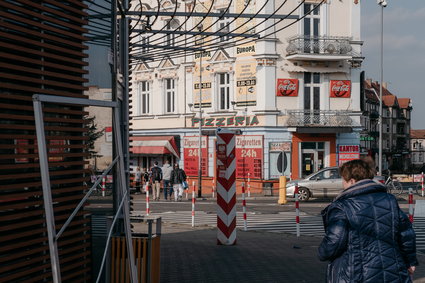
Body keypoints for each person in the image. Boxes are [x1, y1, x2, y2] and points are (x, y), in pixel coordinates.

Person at [318, 159, 418, 282]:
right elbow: (406, 235)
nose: (342, 183)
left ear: (352, 181)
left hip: (355, 272)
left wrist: (322, 252)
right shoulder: (390, 200)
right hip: (391, 269)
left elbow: (333, 242)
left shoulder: (342, 206)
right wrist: (410, 262)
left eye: (343, 179)